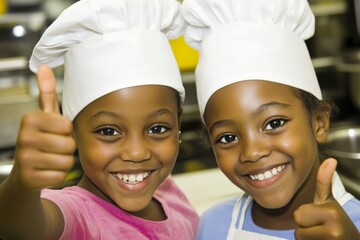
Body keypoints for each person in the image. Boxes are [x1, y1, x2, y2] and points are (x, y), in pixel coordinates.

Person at [0, 0, 199, 239]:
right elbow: (16, 226)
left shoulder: (170, 194)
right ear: (72, 129)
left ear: (178, 122)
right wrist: (22, 184)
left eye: (157, 128)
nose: (136, 153)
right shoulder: (77, 216)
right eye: (108, 131)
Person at [182, 0, 360, 239]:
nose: (252, 152)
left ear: (319, 121)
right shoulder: (212, 225)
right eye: (228, 137)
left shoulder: (354, 226)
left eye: (274, 123)